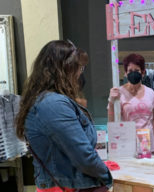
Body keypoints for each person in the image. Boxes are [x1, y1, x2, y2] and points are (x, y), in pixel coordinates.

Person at [15, 40, 112, 192]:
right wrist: (107, 178)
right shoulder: (53, 104)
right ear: (66, 69)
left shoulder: (48, 101)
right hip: (66, 187)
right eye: (79, 67)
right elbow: (83, 155)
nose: (81, 72)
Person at [108, 53, 154, 155]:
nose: (133, 73)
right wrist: (111, 102)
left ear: (143, 72)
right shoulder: (118, 93)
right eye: (130, 71)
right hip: (128, 142)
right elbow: (112, 121)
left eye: (137, 71)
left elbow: (153, 120)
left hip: (148, 142)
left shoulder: (150, 92)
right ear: (126, 73)